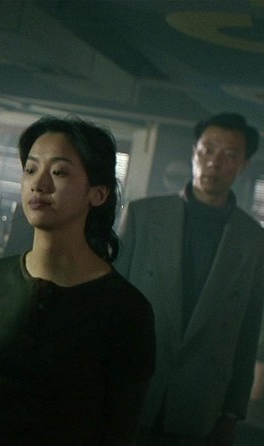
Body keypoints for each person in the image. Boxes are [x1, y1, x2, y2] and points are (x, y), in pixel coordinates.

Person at [0, 117, 156, 445]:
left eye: (59, 172)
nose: (39, 184)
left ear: (98, 193)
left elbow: (120, 427)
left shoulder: (126, 308)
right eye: (31, 170)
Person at [116, 112, 264, 446]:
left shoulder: (253, 240)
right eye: (207, 150)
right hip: (133, 385)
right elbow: (111, 303)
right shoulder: (144, 215)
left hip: (200, 400)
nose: (214, 162)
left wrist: (232, 412)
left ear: (243, 165)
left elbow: (247, 330)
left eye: (229, 155)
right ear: (194, 151)